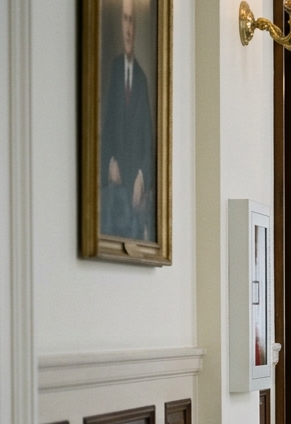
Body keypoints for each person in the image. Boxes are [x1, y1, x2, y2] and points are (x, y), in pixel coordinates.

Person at [101, 0, 156, 242]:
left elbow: (148, 140)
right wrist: (109, 162)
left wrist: (143, 177)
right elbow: (105, 128)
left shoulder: (142, 80)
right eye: (125, 19)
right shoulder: (113, 71)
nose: (128, 28)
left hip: (134, 183)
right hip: (115, 183)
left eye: (132, 20)